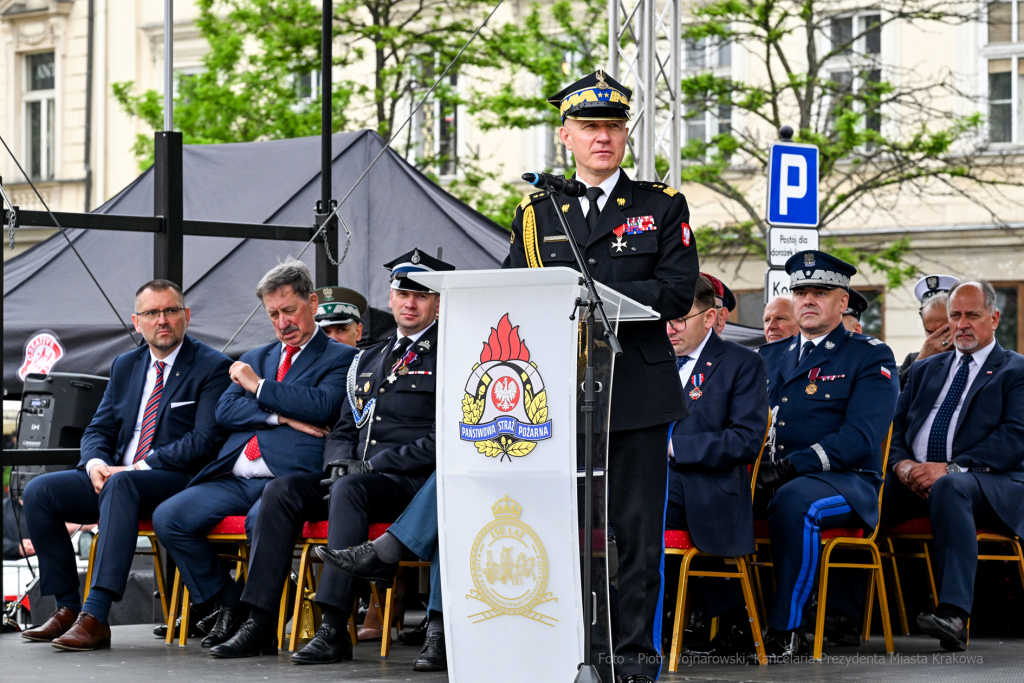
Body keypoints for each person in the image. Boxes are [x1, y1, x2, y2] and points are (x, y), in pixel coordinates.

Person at [504, 70, 700, 682]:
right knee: (557, 528)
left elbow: (675, 291)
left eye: (613, 127)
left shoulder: (660, 206)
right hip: (559, 392)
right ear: (566, 136)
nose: (603, 138)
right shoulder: (537, 214)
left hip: (636, 391)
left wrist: (591, 295)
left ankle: (635, 656)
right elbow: (517, 295)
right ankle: (564, 645)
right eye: (590, 127)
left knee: (635, 534)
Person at [208, 249, 450, 664]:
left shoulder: (451, 353)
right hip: (357, 474)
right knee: (284, 490)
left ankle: (333, 627)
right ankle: (260, 620)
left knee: (351, 489)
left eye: (421, 296)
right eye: (402, 294)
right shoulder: (369, 357)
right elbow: (343, 427)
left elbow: (442, 438)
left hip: (409, 481)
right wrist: (336, 461)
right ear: (389, 299)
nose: (410, 303)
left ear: (438, 303)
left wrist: (369, 466)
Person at [152, 260, 355, 651]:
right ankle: (229, 603)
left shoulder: (340, 357)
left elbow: (322, 405)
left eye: (289, 311)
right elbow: (225, 411)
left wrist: (256, 386)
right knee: (170, 516)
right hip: (236, 475)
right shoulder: (257, 356)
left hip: (290, 479)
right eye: (274, 314)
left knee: (262, 521)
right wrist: (281, 416)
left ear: (312, 303)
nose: (282, 323)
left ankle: (257, 622)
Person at [21, 280, 233, 650]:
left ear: (186, 316)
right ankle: (67, 608)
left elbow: (204, 441)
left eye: (170, 311)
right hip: (116, 479)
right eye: (152, 313)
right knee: (41, 491)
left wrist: (134, 470)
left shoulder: (213, 366)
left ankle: (97, 615)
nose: (162, 320)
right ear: (137, 322)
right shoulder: (125, 365)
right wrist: (96, 464)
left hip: (176, 481)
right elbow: (99, 428)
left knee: (121, 486)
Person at [754, 251, 899, 662]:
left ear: (843, 301)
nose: (808, 300)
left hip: (847, 483)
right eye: (801, 292)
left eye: (821, 292)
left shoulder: (870, 356)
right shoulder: (770, 356)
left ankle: (786, 629)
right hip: (770, 476)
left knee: (795, 502)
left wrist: (789, 467)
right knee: (701, 494)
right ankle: (730, 617)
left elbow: (859, 438)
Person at [885, 281, 1024, 651]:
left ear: (994, 318)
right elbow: (895, 427)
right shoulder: (926, 368)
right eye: (954, 316)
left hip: (988, 482)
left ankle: (953, 615)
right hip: (915, 477)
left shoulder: (1016, 370)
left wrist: (950, 468)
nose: (961, 324)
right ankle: (836, 614)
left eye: (972, 315)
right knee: (866, 489)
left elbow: (1014, 437)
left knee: (950, 487)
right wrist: (900, 466)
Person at [663, 275, 769, 656]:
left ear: (709, 318)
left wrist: (676, 448)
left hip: (710, 487)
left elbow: (745, 440)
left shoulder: (741, 363)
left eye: (679, 319)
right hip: (657, 480)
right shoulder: (652, 361)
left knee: (642, 502)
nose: (669, 328)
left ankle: (649, 622)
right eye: (664, 319)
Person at [318, 472, 445, 671]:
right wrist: (340, 467)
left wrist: (371, 465)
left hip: (415, 475)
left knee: (447, 485)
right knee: (344, 486)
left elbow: (431, 443)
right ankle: (331, 628)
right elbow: (341, 439)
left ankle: (438, 632)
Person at [898, 274, 959, 389]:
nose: (937, 338)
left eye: (945, 330)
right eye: (931, 332)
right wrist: (922, 360)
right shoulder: (913, 359)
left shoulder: (977, 358)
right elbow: (896, 394)